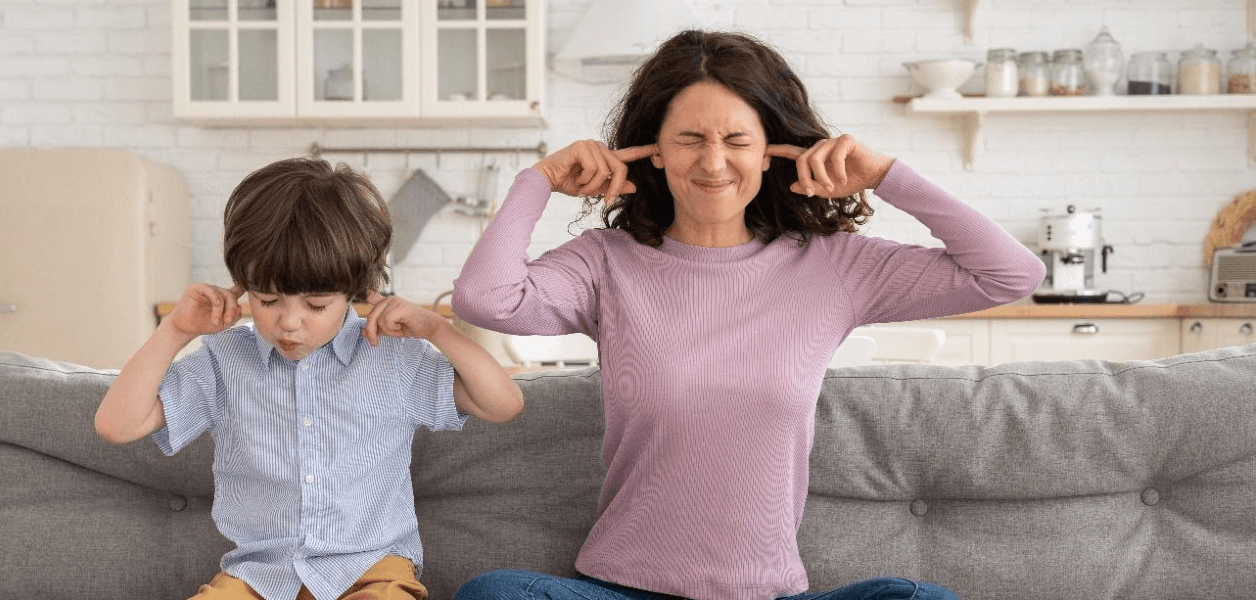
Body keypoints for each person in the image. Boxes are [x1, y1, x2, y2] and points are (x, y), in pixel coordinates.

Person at [450, 30, 1045, 600]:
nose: (713, 163)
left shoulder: (832, 266)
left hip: (769, 593)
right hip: (623, 589)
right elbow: (486, 299)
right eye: (689, 139)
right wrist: (540, 180)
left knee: (922, 598)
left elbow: (1010, 275)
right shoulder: (606, 264)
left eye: (736, 141)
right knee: (494, 593)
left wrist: (888, 177)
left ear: (771, 153)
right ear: (654, 152)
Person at [94, 157, 524, 600]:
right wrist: (175, 331)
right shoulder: (224, 363)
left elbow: (503, 403)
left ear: (353, 291)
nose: (290, 323)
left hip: (372, 571)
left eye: (316, 305)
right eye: (267, 300)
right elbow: (116, 424)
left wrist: (438, 329)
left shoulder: (393, 359)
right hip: (260, 576)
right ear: (243, 286)